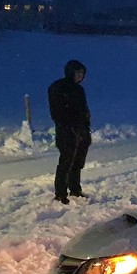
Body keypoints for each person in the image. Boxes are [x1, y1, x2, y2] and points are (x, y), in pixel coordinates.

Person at [48, 60, 92, 204]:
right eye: (78, 73)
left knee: (78, 162)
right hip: (66, 131)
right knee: (66, 161)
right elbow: (57, 112)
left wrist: (85, 129)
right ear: (70, 72)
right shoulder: (58, 87)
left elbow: (84, 110)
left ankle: (75, 190)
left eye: (82, 74)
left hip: (80, 130)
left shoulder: (79, 90)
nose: (80, 76)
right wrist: (70, 124)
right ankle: (60, 193)